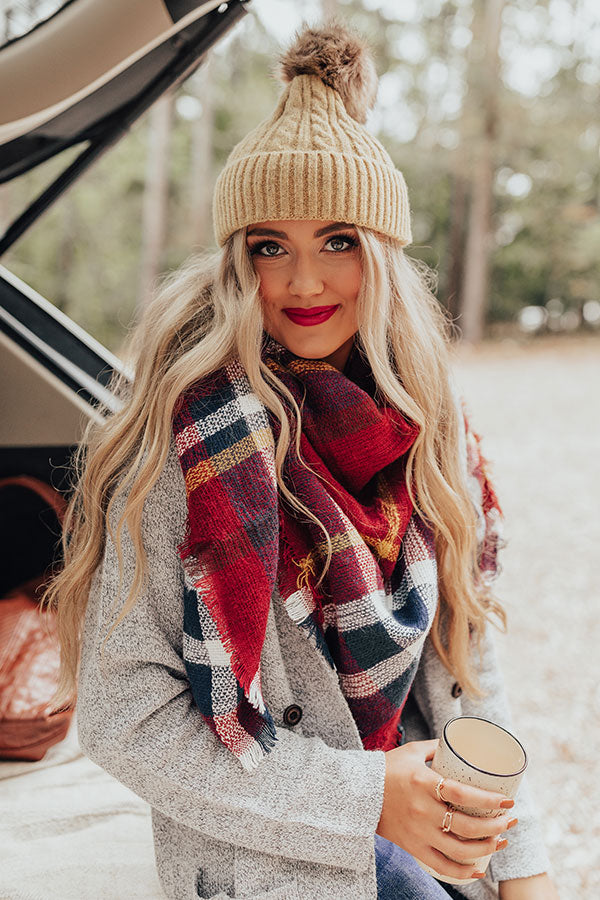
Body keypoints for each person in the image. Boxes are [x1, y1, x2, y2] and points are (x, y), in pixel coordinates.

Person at [44, 20, 559, 900]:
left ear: (383, 254)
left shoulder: (430, 422)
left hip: (428, 818)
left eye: (338, 241)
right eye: (269, 245)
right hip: (275, 853)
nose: (303, 282)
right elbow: (123, 715)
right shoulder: (184, 436)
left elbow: (467, 661)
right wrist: (366, 798)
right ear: (237, 259)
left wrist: (523, 859)